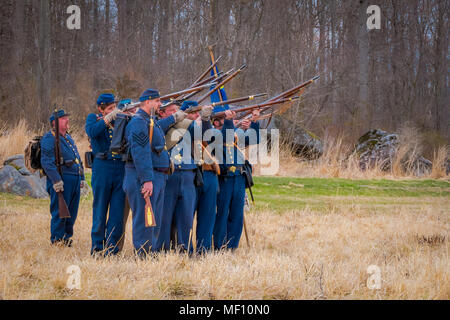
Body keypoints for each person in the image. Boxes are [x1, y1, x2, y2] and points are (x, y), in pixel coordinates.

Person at [122, 89, 186, 257]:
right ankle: (143, 254)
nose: (160, 105)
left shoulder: (150, 121)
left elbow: (159, 127)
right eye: (157, 101)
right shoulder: (138, 123)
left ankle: (150, 253)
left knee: (153, 220)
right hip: (144, 178)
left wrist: (176, 117)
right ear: (148, 102)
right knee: (145, 219)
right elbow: (140, 153)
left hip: (157, 176)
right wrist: (147, 180)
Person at [156, 100, 213, 253]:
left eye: (176, 110)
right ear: (162, 113)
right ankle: (162, 250)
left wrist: (206, 120)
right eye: (172, 110)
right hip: (169, 175)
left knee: (186, 217)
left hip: (188, 173)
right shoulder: (158, 124)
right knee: (164, 217)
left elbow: (206, 138)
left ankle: (185, 250)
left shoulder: (189, 124)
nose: (175, 113)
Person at [211, 108, 260, 250]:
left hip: (239, 177)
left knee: (237, 214)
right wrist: (229, 122)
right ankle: (219, 246)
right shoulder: (213, 134)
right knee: (222, 213)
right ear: (217, 121)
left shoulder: (235, 132)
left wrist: (254, 122)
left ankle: (232, 247)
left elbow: (254, 139)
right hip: (224, 178)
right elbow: (225, 137)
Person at [85, 93, 126, 256]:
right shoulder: (93, 118)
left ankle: (112, 248)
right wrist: (108, 117)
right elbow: (92, 132)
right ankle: (97, 246)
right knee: (100, 208)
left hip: (120, 167)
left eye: (114, 107)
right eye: (109, 108)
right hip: (102, 166)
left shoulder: (120, 119)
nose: (113, 110)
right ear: (100, 109)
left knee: (117, 212)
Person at [41, 109, 88, 246]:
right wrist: (56, 180)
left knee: (71, 211)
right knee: (59, 212)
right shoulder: (49, 139)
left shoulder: (68, 138)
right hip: (61, 180)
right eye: (63, 118)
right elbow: (46, 162)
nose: (67, 120)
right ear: (54, 123)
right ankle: (57, 240)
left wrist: (82, 177)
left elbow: (77, 158)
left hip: (74, 179)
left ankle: (67, 238)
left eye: (67, 118)